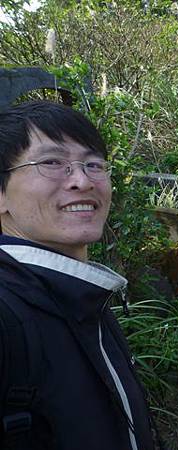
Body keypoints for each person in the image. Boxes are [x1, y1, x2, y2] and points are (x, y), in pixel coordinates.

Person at [0, 101, 161, 449]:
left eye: (93, 164)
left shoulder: (79, 292)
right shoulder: (7, 311)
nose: (81, 181)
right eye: (52, 162)